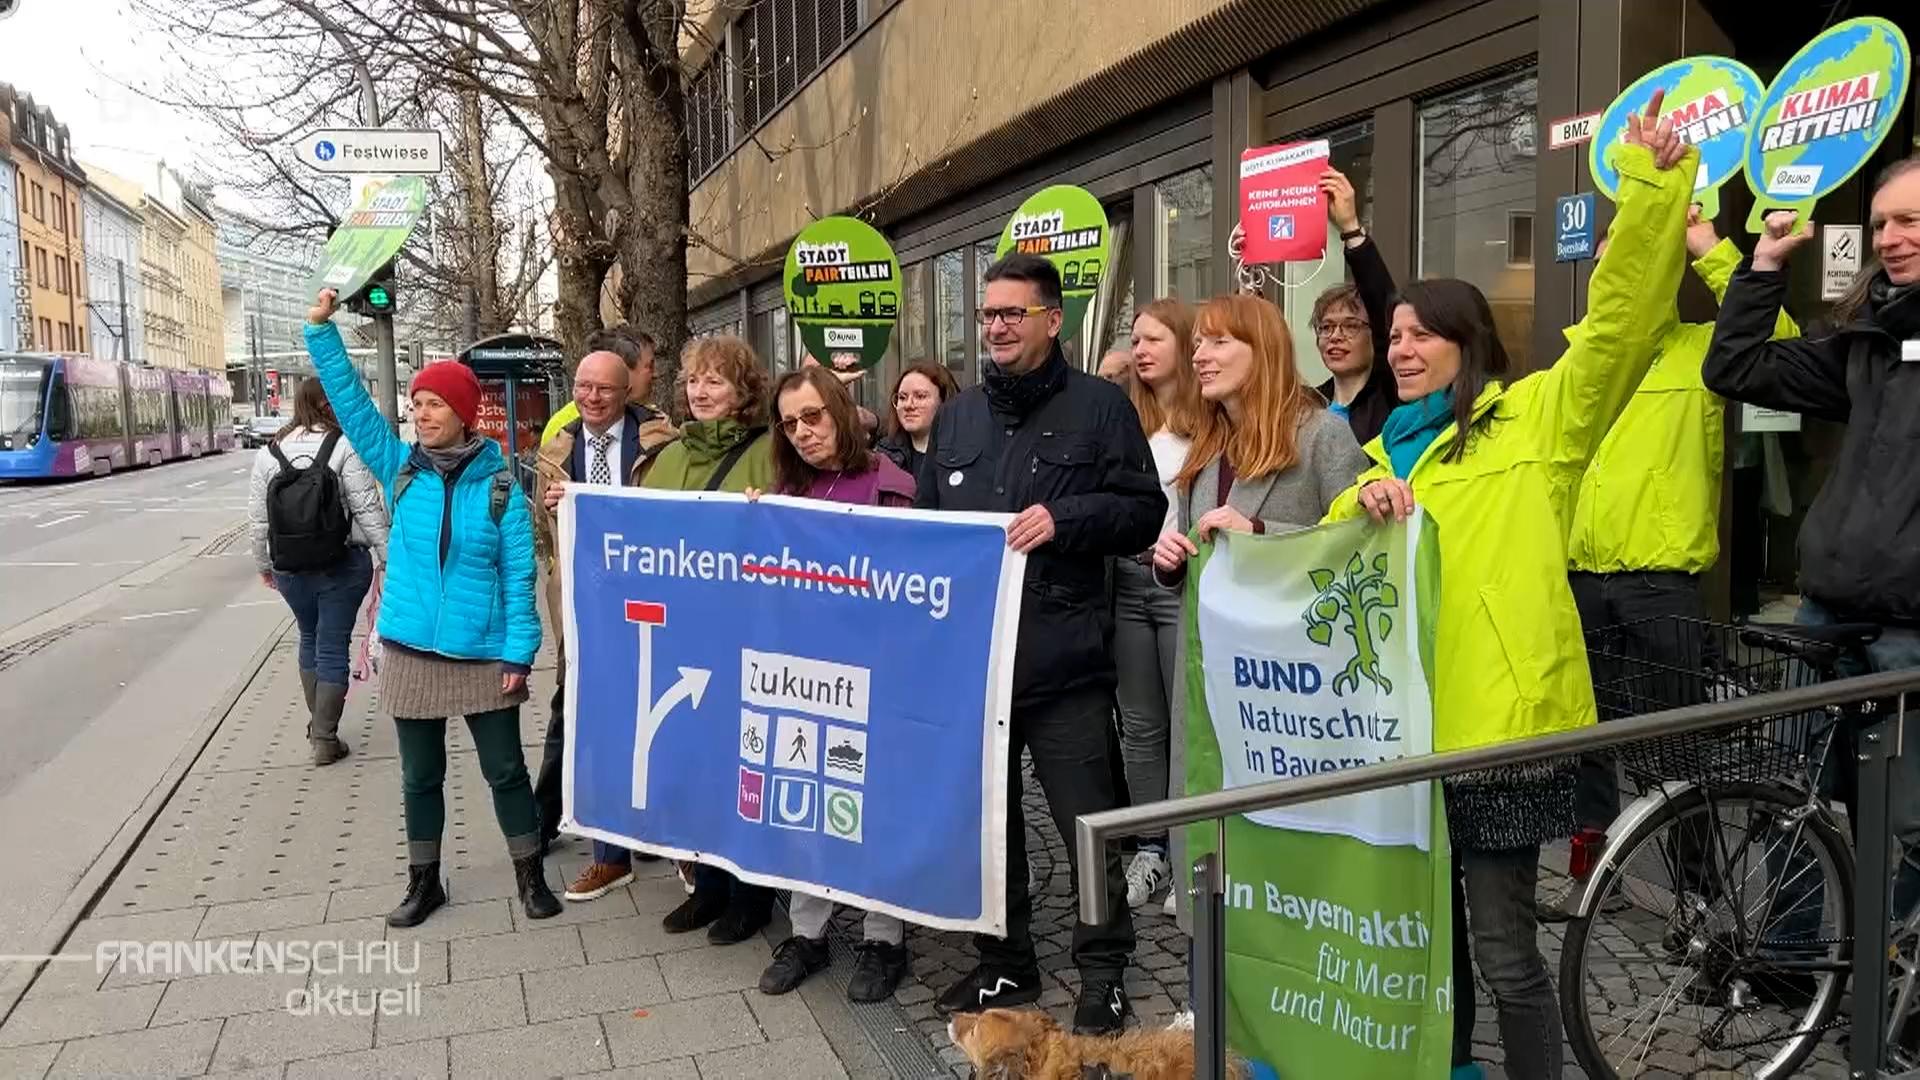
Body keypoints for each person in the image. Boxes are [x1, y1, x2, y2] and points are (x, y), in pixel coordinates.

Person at [1328, 99, 1692, 1079]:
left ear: (1467, 341)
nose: (1400, 347)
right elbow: (1315, 571)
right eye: (1392, 333)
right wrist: (1242, 535)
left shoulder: (1538, 424)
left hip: (1501, 734)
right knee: (1427, 950)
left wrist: (1653, 190)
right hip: (1401, 738)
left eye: (1419, 334)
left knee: (1503, 955)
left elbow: (1617, 326)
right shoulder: (1380, 454)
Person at [915, 252, 1165, 1034]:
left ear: (1052, 320)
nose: (994, 326)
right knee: (990, 828)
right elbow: (925, 534)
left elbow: (1143, 512)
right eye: (987, 314)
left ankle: (1103, 973)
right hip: (976, 669)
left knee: (1086, 826)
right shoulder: (956, 419)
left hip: (1066, 664)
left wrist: (1067, 520)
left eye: (1010, 313)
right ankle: (1004, 966)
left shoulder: (1100, 408)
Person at [1556, 207, 1802, 898]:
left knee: (1679, 750)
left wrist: (1706, 245)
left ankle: (1699, 895)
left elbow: (1780, 346)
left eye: (1639, 258)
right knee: (1584, 747)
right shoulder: (1579, 361)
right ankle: (1590, 879)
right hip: (1580, 578)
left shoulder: (1701, 348)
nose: (1620, 272)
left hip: (1659, 582)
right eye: (1608, 261)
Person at [1704, 155, 1920, 914]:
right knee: (1785, 798)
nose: (1890, 239)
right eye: (1881, 225)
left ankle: (1893, 993)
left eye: (1910, 222)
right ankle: (1793, 968)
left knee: (1907, 827)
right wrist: (1762, 266)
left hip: (1909, 631)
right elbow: (1736, 367)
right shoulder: (1869, 341)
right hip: (1826, 613)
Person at [303, 288, 559, 928]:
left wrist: (518, 655)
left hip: (482, 652)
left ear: (465, 412)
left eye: (434, 403)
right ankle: (424, 883)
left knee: (505, 770)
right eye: (416, 403)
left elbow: (519, 576)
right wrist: (321, 332)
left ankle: (530, 877)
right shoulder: (400, 468)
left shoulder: (501, 485)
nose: (421, 413)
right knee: (420, 777)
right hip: (410, 649)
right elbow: (355, 409)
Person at [1149, 292, 1370, 920]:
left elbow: (1357, 550)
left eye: (1220, 342)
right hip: (1211, 680)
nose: (1200, 355)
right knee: (1207, 828)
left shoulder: (1322, 433)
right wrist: (1172, 560)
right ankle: (1211, 990)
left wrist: (1265, 538)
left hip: (1289, 693)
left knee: (1280, 841)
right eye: (1198, 344)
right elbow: (1200, 555)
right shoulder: (1207, 446)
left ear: (1263, 351)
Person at [746, 366, 918, 1002]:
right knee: (805, 796)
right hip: (802, 677)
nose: (802, 433)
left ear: (841, 411)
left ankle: (883, 938)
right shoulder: (786, 491)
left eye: (812, 416)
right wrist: (754, 527)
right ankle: (808, 932)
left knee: (873, 806)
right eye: (789, 423)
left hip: (876, 675)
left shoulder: (892, 487)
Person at [642, 334, 779, 944]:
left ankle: (751, 895)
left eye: (715, 381)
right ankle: (709, 886)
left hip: (745, 634)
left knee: (743, 764)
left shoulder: (771, 451)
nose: (700, 391)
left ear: (744, 391)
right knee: (695, 761)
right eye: (694, 380)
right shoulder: (668, 458)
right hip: (683, 634)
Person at [532, 338, 679, 900]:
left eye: (604, 389)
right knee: (592, 725)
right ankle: (608, 854)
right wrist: (551, 512)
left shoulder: (661, 444)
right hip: (583, 606)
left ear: (628, 391)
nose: (591, 398)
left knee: (657, 717)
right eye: (583, 388)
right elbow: (546, 540)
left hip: (648, 601)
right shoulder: (557, 447)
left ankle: (669, 837)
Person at [1103, 298, 1205, 914]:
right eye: (1134, 340)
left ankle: (1190, 847)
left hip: (1184, 583)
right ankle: (1150, 848)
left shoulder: (1213, 423)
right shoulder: (1125, 421)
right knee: (1139, 724)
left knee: (1186, 720)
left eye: (1153, 339)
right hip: (1126, 580)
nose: (1140, 350)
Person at [247, 376, 388, 765]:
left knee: (309, 638)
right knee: (332, 644)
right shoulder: (343, 446)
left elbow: (259, 522)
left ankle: (319, 726)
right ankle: (325, 737)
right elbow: (366, 508)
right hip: (342, 564)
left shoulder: (269, 453)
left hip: (291, 568)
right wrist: (388, 556)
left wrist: (264, 565)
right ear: (329, 406)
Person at [1313, 167, 1399, 444]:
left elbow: (1383, 304)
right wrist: (1249, 280)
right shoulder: (1305, 404)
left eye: (1350, 325)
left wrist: (1351, 229)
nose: (1335, 336)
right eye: (1326, 327)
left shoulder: (1392, 398)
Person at [541, 327, 662, 444]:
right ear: (621, 369)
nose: (655, 374)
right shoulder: (561, 427)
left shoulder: (656, 423)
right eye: (649, 366)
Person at [875, 360, 960, 477]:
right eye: (902, 397)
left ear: (944, 400)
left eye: (920, 396)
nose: (909, 405)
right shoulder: (883, 457)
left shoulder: (965, 454)